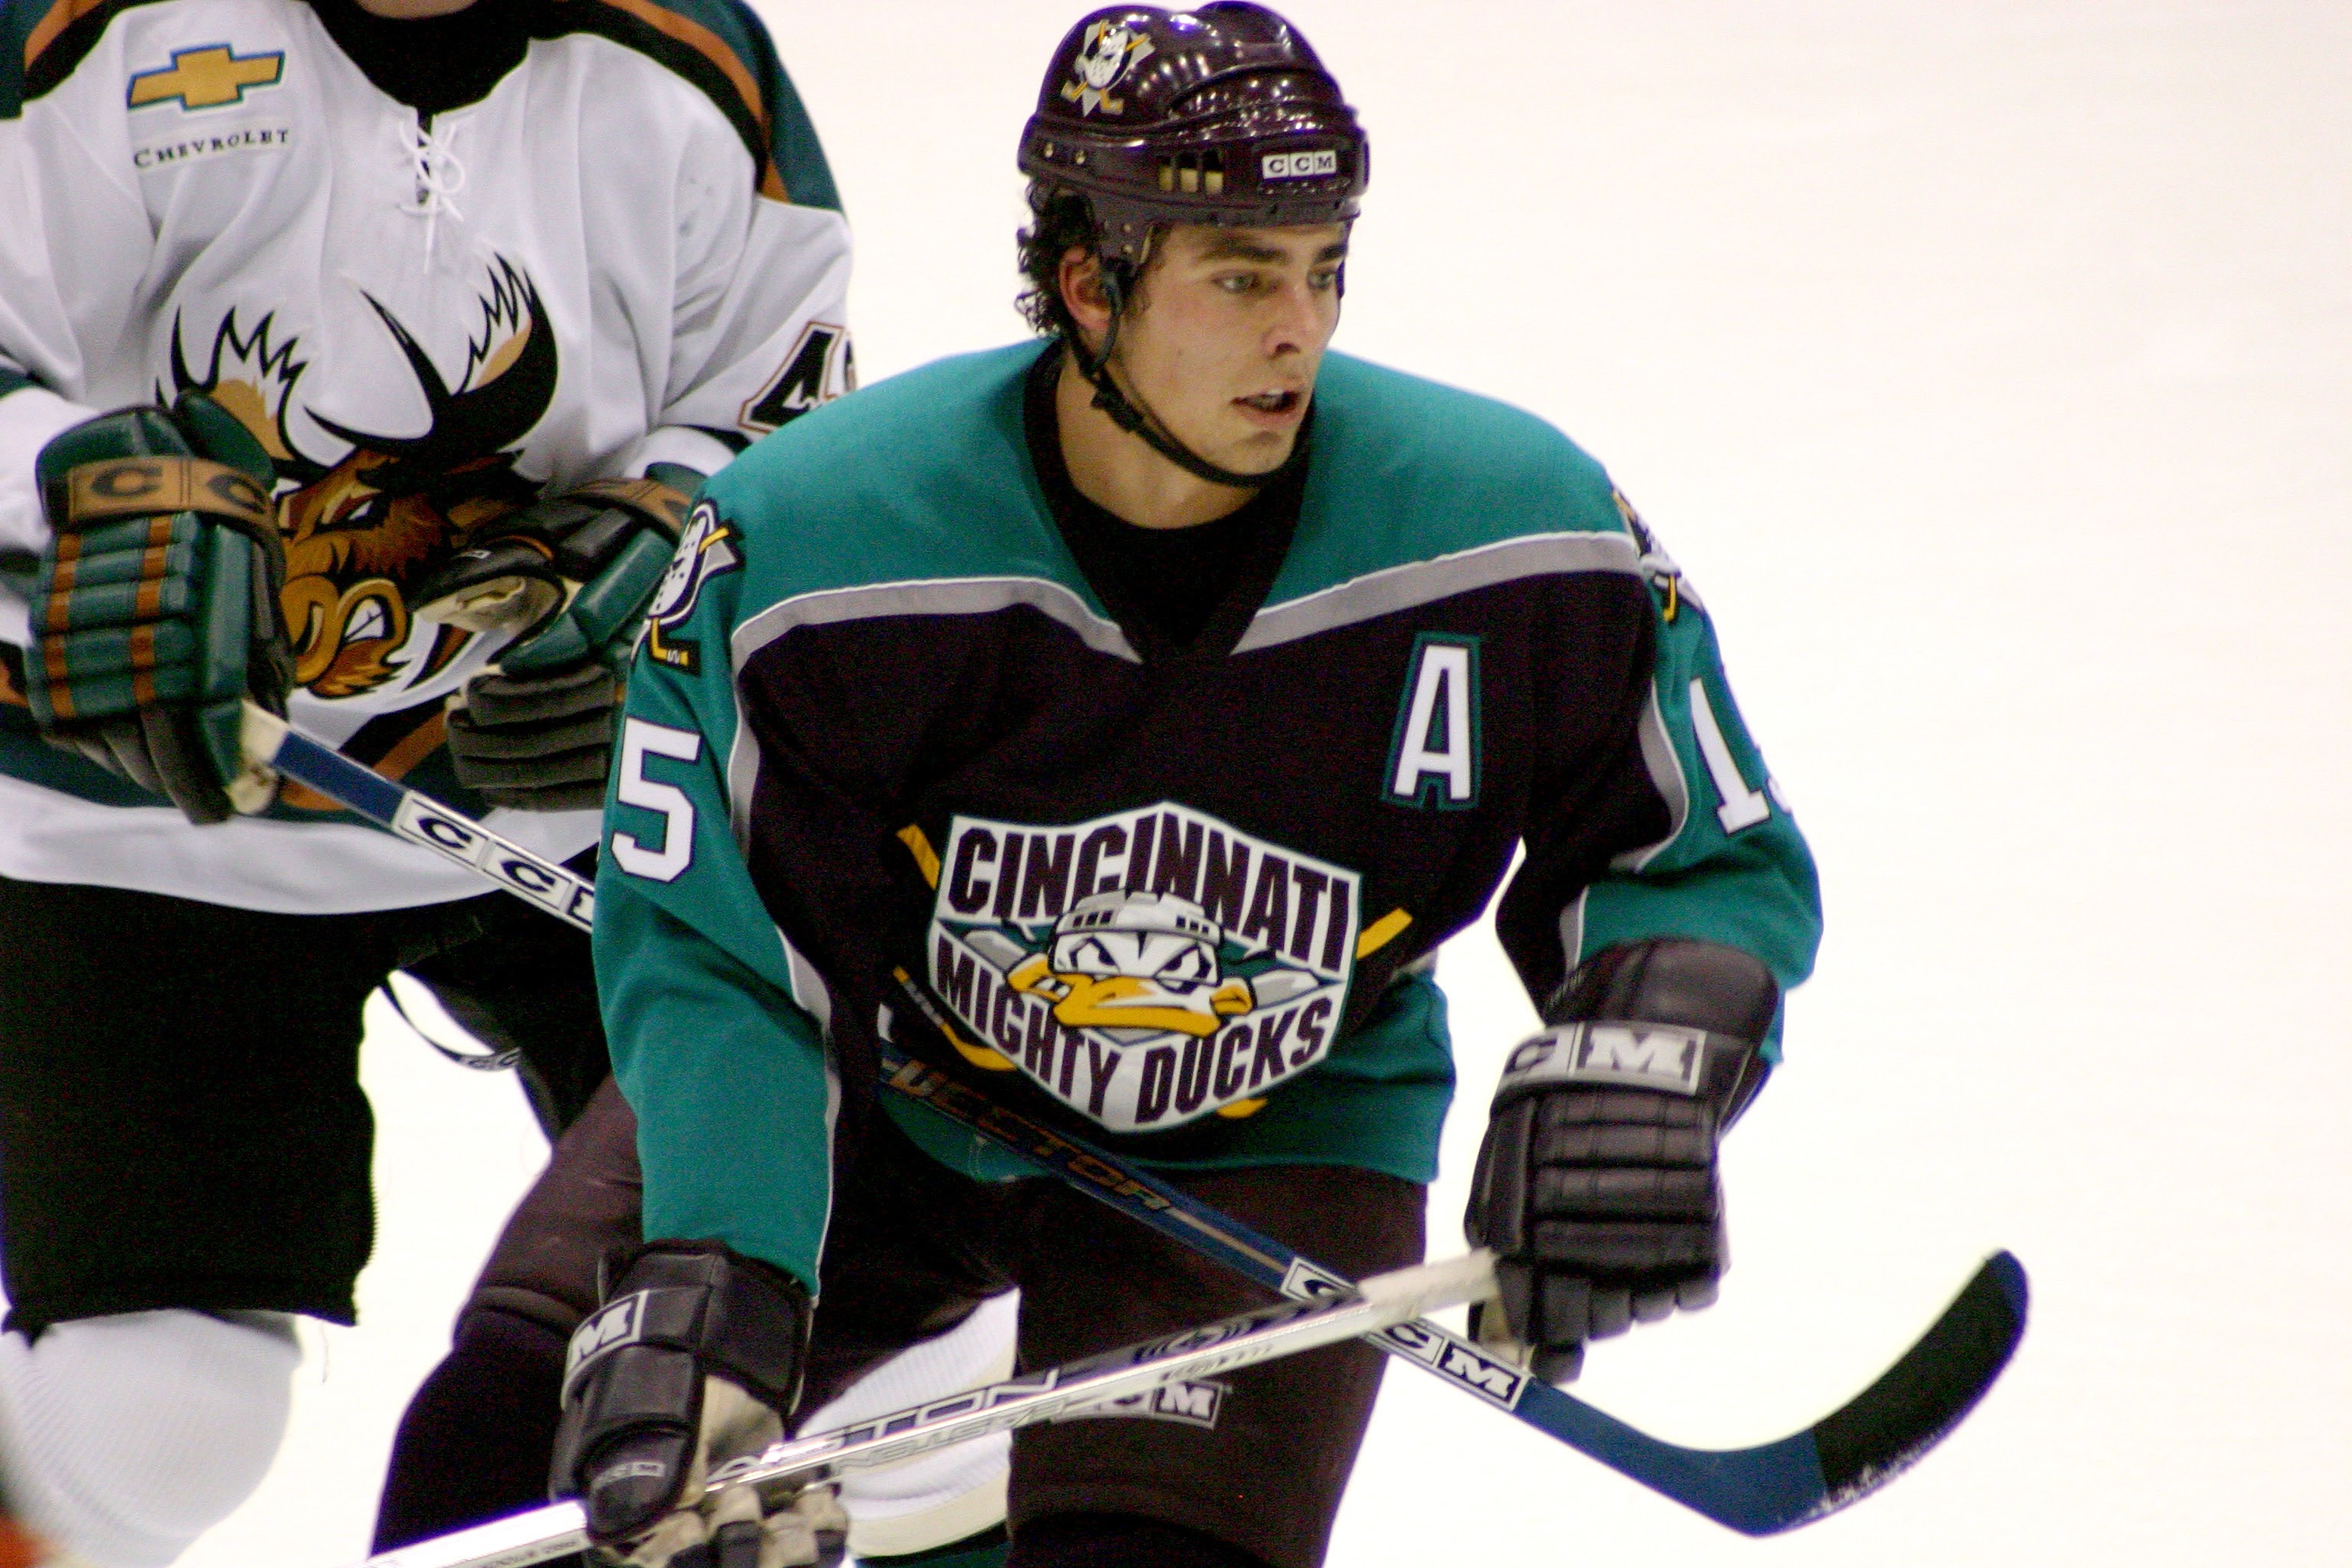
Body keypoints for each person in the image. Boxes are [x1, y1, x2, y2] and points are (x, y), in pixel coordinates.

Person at [564, 5, 1824, 1568]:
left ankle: (965, 1461)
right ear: (1089, 285)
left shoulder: (1520, 530)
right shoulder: (812, 544)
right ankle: (928, 1437)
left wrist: (1647, 1056)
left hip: (1270, 1127)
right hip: (870, 1094)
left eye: (1323, 268)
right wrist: (724, 1263)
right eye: (1240, 276)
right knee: (518, 1463)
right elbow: (720, 950)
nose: (1301, 330)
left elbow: (1693, 854)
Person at [0, 0, 855, 1560]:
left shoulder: (686, 58)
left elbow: (778, 397)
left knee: (803, 1312)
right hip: (147, 812)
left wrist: (670, 548)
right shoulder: (85, 33)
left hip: (577, 811)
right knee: (158, 1415)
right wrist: (73, 491)